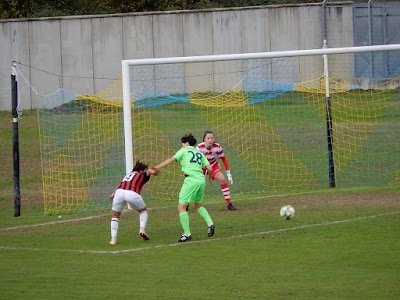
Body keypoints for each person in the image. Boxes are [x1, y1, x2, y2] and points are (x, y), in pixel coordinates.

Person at [155, 133, 215, 242]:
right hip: (201, 180)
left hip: (191, 180)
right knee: (198, 205)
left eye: (182, 143)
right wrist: (210, 178)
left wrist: (157, 167)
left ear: (186, 143)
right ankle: (210, 223)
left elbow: (171, 160)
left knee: (181, 208)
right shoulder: (199, 153)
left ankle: (187, 234)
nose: (182, 145)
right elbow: (210, 169)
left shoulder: (184, 150)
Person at [109, 160, 158, 245]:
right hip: (132, 193)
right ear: (142, 170)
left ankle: (113, 239)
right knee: (143, 211)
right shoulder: (141, 174)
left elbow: (120, 185)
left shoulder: (127, 175)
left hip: (119, 193)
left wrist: (113, 194)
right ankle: (142, 230)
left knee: (115, 215)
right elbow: (149, 172)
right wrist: (152, 171)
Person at [196, 130, 236, 210]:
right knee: (195, 184)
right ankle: (185, 204)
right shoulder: (199, 148)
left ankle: (229, 203)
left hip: (213, 166)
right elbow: (195, 162)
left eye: (212, 138)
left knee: (222, 180)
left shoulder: (217, 147)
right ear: (204, 139)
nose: (210, 140)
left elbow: (224, 159)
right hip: (201, 167)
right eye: (208, 138)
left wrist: (228, 174)